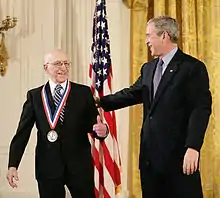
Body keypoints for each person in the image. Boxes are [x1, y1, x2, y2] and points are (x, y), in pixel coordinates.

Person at [96, 16, 212, 198]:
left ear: (164, 35)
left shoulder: (192, 68)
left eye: (149, 35)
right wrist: (98, 101)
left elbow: (200, 110)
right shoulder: (148, 68)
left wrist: (193, 147)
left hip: (178, 158)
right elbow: (132, 94)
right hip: (150, 160)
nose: (146, 40)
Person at [6, 49, 108, 198]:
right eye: (58, 63)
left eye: (66, 63)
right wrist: (13, 164)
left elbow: (93, 125)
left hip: (79, 166)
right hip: (48, 167)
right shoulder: (35, 96)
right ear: (46, 67)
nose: (64, 68)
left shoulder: (83, 92)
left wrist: (103, 131)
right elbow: (22, 133)